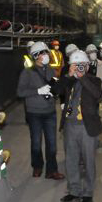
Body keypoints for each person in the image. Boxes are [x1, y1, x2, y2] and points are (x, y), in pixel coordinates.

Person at [55, 50, 102, 202]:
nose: (79, 68)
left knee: (89, 160)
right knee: (71, 160)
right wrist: (69, 76)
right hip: (70, 126)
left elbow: (97, 95)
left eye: (82, 66)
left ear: (87, 67)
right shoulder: (69, 81)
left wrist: (82, 78)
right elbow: (55, 91)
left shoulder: (94, 81)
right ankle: (74, 190)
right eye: (76, 66)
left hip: (87, 127)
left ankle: (88, 191)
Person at [17, 41, 64, 180]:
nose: (47, 55)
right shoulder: (27, 73)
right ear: (36, 55)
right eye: (44, 53)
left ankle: (52, 170)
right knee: (36, 143)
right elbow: (20, 92)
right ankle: (37, 166)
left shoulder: (50, 70)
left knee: (52, 144)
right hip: (34, 113)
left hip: (50, 112)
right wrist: (38, 91)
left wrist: (54, 91)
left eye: (46, 53)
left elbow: (55, 87)